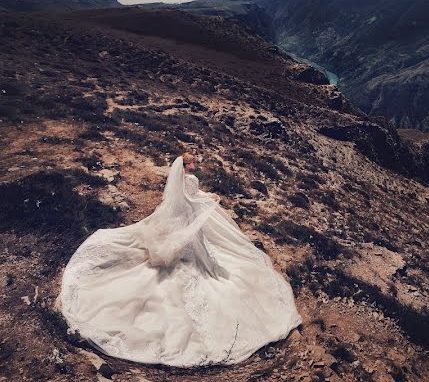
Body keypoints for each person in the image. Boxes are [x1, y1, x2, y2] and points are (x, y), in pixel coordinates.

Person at [57, 153, 302, 367]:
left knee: (187, 255)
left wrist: (206, 195)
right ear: (186, 165)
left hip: (178, 220)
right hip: (187, 222)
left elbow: (185, 196)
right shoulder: (191, 179)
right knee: (198, 262)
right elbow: (193, 199)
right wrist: (211, 200)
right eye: (193, 162)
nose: (197, 164)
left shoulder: (180, 180)